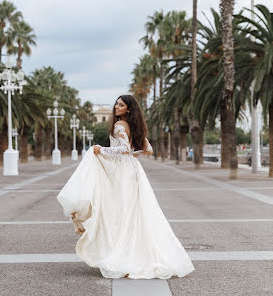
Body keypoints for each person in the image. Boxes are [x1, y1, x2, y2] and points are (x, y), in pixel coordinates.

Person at [57, 95, 194, 279]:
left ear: (128, 109)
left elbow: (123, 149)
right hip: (133, 170)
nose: (116, 106)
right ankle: (137, 251)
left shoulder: (120, 125)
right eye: (116, 103)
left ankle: (125, 254)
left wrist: (101, 150)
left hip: (122, 172)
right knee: (135, 211)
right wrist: (131, 155)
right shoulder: (135, 126)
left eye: (121, 105)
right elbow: (148, 149)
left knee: (122, 211)